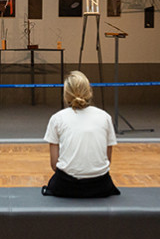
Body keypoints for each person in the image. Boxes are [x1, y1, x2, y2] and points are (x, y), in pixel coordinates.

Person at [42, 70, 120, 198]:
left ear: (65, 94)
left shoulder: (57, 118)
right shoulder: (105, 117)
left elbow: (54, 164)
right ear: (89, 91)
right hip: (100, 185)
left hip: (66, 186)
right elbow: (108, 160)